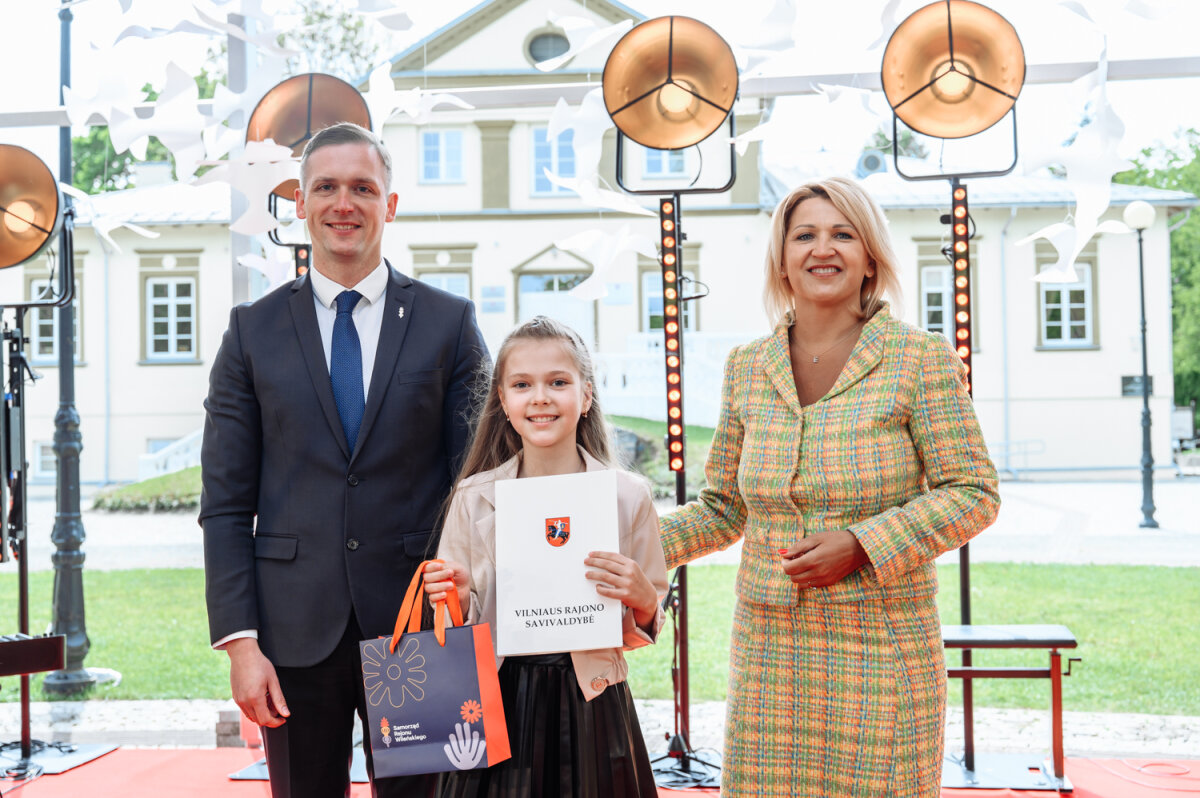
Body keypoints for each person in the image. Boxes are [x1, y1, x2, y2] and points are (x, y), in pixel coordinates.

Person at [658, 176, 1000, 797]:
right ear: (782, 260)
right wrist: (624, 539)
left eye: (843, 234)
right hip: (768, 650)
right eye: (805, 235)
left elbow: (973, 492)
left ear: (870, 258)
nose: (823, 248)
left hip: (881, 645)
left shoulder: (919, 358)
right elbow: (723, 509)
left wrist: (862, 544)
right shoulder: (746, 367)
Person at [200, 122, 488, 798]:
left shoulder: (449, 323)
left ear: (391, 204)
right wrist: (241, 643)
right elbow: (225, 505)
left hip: (422, 629)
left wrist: (477, 602)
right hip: (293, 633)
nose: (343, 204)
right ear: (300, 203)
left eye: (363, 188)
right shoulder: (251, 332)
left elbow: (477, 487)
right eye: (325, 187)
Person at [423, 316, 668, 798]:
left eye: (558, 382)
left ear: (586, 395)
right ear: (503, 400)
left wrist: (643, 600)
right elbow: (453, 631)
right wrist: (455, 599)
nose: (540, 397)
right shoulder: (473, 497)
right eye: (522, 385)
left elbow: (642, 619)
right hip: (497, 698)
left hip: (592, 698)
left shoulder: (627, 496)